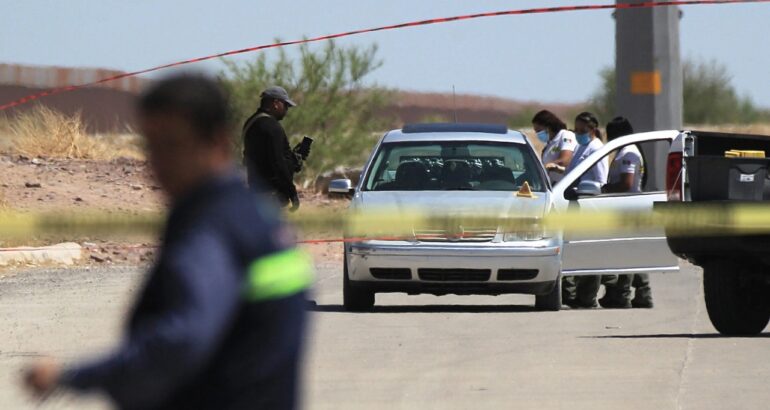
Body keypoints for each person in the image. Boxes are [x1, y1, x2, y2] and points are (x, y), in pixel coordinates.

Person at [23, 74, 313, 409]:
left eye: (173, 146)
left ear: (217, 142)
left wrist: (70, 376)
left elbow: (182, 339)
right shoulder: (258, 219)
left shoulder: (210, 227)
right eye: (151, 147)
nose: (157, 166)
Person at [599, 116, 654, 309]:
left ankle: (621, 295)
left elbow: (627, 183)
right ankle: (643, 294)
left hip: (629, 208)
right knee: (632, 251)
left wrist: (606, 189)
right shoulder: (625, 151)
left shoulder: (629, 153)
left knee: (626, 252)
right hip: (627, 206)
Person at [562, 111, 609, 308]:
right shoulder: (582, 147)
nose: (578, 133)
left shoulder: (596, 149)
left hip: (589, 203)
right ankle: (574, 295)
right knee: (573, 250)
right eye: (576, 129)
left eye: (582, 130)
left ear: (593, 130)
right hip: (574, 203)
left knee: (589, 251)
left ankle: (587, 297)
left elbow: (600, 180)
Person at [242, 85, 306, 211]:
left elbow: (262, 157)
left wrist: (292, 159)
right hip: (271, 196)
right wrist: (292, 192)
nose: (286, 110)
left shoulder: (251, 123)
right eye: (285, 105)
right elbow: (278, 163)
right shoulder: (272, 127)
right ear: (276, 103)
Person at [532, 110, 577, 184]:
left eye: (538, 130)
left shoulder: (566, 136)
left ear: (548, 127)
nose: (537, 134)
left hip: (565, 185)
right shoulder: (549, 144)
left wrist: (545, 166)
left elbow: (565, 161)